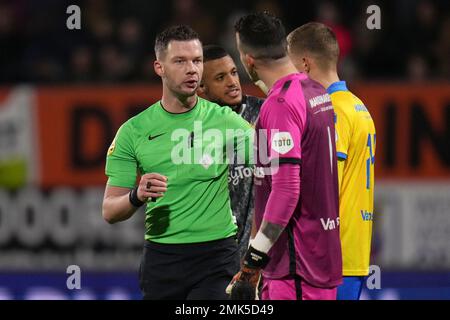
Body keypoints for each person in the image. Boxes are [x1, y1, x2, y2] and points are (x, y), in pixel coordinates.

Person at [102, 25, 254, 300]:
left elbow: (281, 168)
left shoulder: (227, 121)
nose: (192, 69)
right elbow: (110, 211)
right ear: (159, 67)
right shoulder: (133, 131)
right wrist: (136, 195)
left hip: (217, 258)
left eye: (197, 61)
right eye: (180, 61)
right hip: (162, 261)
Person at [228, 12, 342, 300]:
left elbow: (287, 190)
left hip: (295, 271)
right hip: (319, 259)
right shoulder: (315, 91)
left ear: (247, 58)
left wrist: (252, 263)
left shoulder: (280, 104)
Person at [287, 22, 376, 300]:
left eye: (289, 67)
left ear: (304, 64)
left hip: (330, 258)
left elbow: (326, 187)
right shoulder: (358, 106)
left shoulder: (332, 111)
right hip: (353, 253)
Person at [198, 44, 264, 257]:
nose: (232, 82)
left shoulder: (266, 114)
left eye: (234, 73)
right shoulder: (193, 130)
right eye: (220, 78)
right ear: (201, 88)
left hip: (265, 256)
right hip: (216, 257)